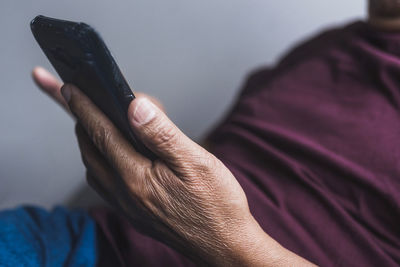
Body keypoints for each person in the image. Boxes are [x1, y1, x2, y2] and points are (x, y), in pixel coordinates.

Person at [1, 0, 399, 266]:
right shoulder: (330, 46)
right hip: (88, 244)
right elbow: (224, 160)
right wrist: (145, 137)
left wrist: (228, 245)